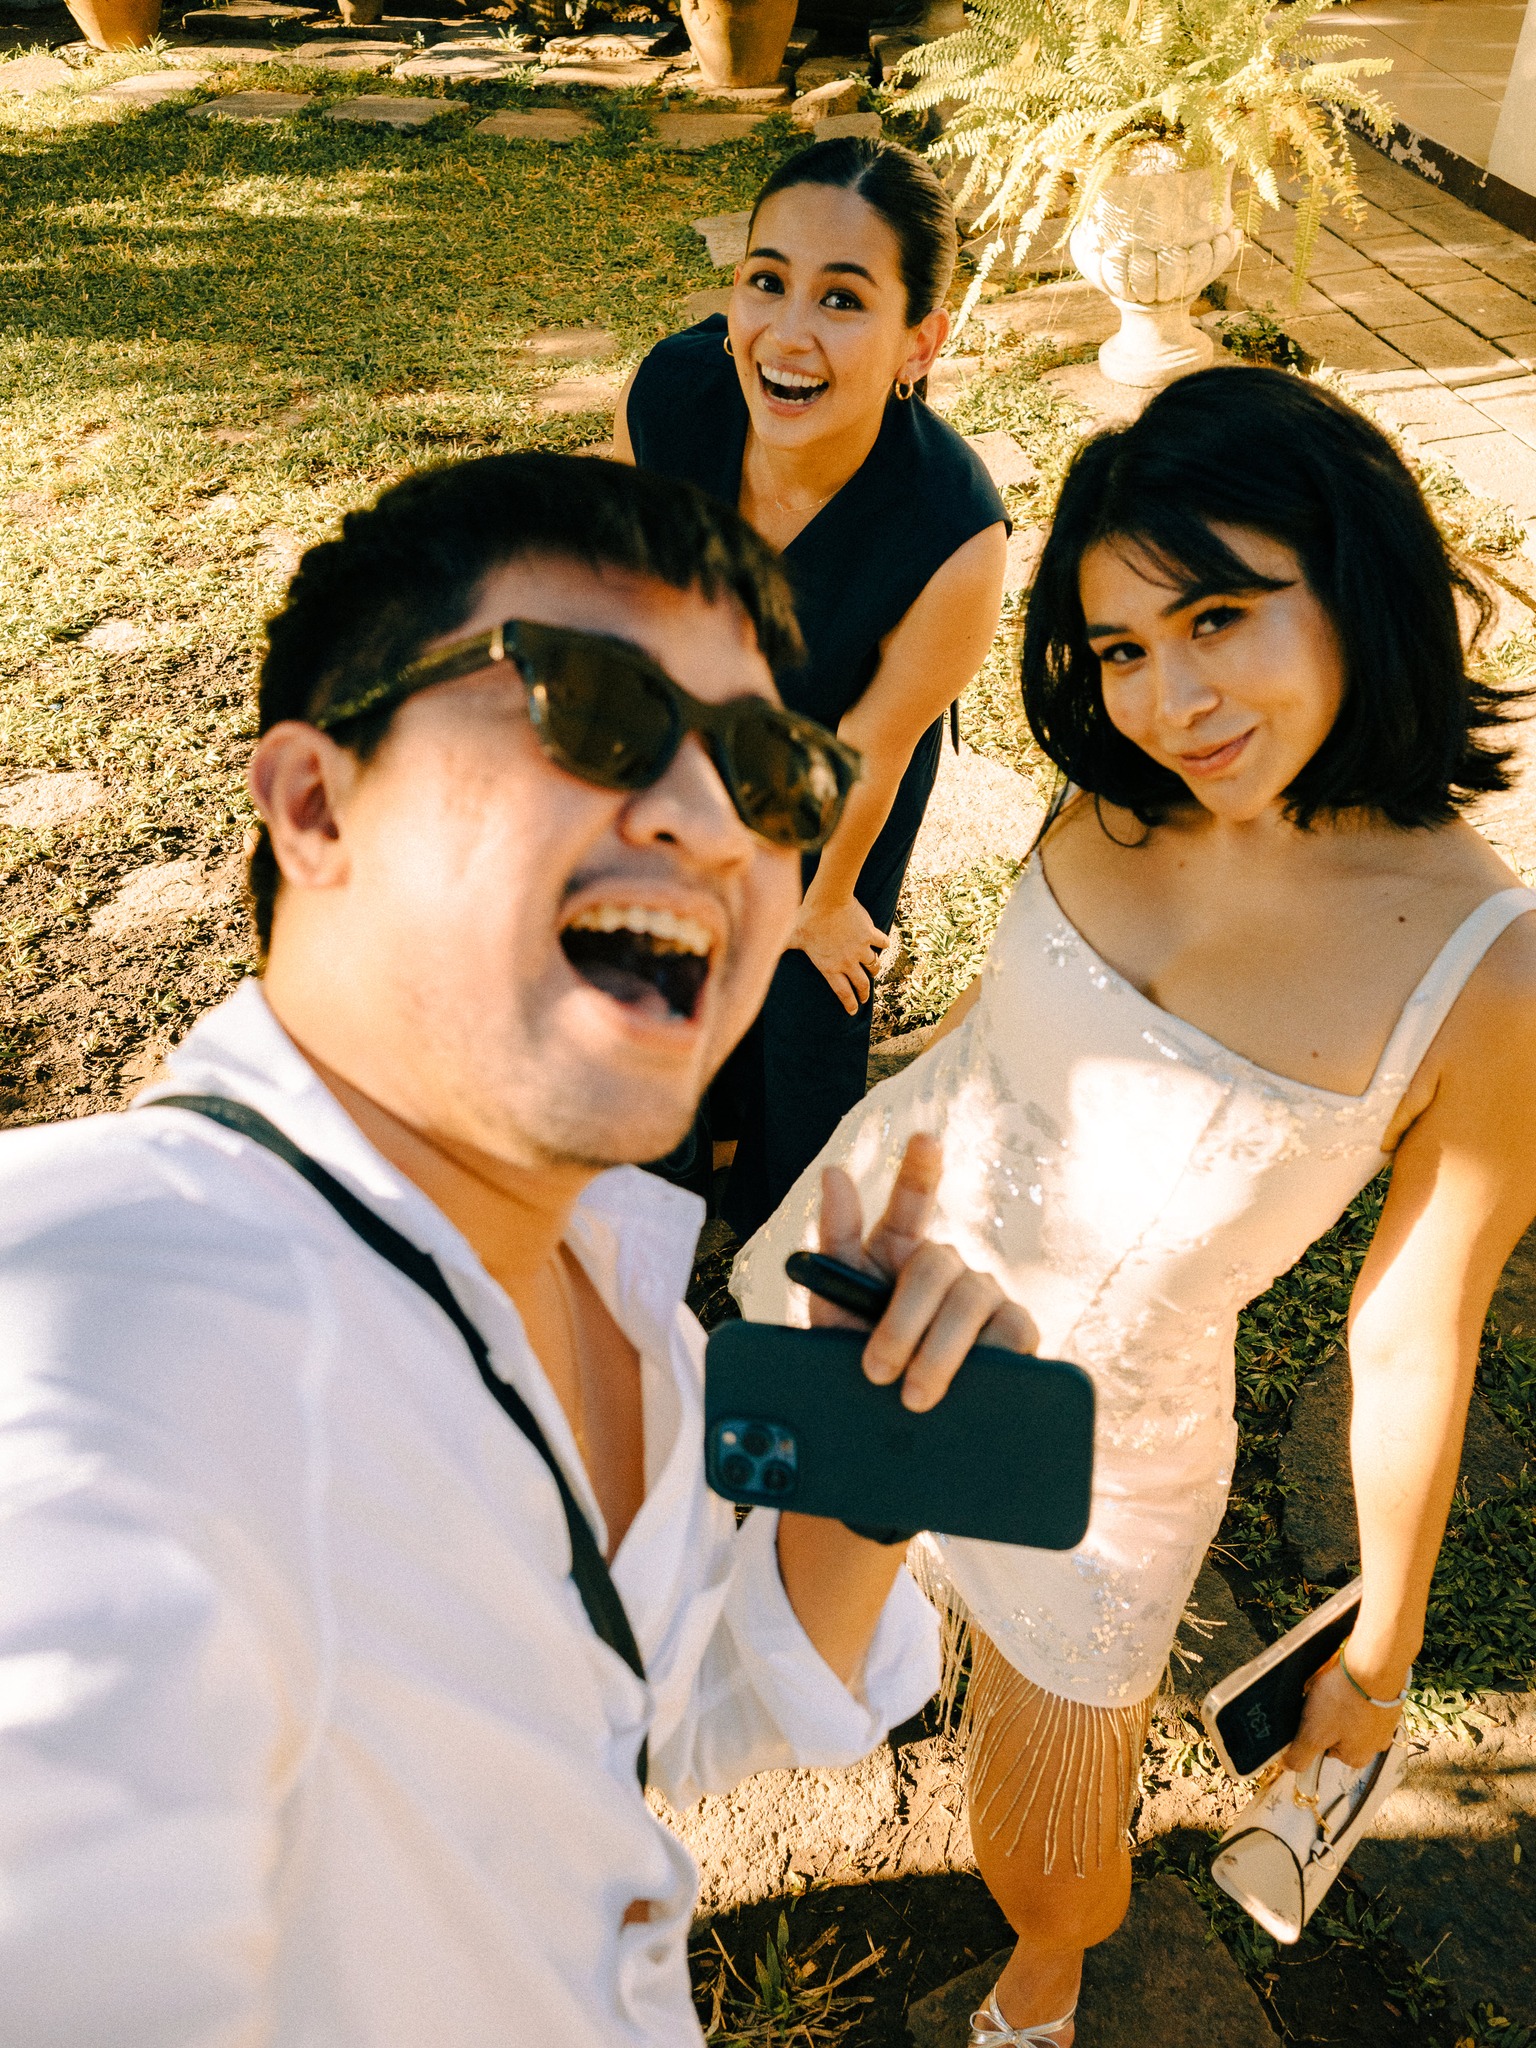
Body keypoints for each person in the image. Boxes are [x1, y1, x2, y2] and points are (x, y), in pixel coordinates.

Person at [0, 452, 1036, 2048]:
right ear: (316, 804)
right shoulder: (115, 1335)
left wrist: (864, 1479)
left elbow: (675, 1710)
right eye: (595, 711)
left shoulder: (627, 1303)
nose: (710, 820)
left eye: (773, 774)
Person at [733, 369, 1536, 2047]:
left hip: (1085, 1455)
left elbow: (1411, 1336)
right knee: (777, 1599)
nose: (1170, 699)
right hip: (865, 1272)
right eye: (1119, 647)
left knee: (1045, 1862)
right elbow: (1003, 1022)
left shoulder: (1489, 976)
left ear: (1357, 575)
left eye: (1218, 618)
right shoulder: (1116, 787)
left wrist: (1377, 1660)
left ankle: (1043, 1987)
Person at [615, 135, 1009, 1238]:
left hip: (839, 773)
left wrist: (825, 901)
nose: (787, 335)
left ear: (920, 340)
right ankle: (662, 1170)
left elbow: (874, 747)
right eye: (766, 281)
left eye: (842, 299)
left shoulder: (954, 533)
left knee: (802, 1003)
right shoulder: (671, 395)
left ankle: (777, 1231)